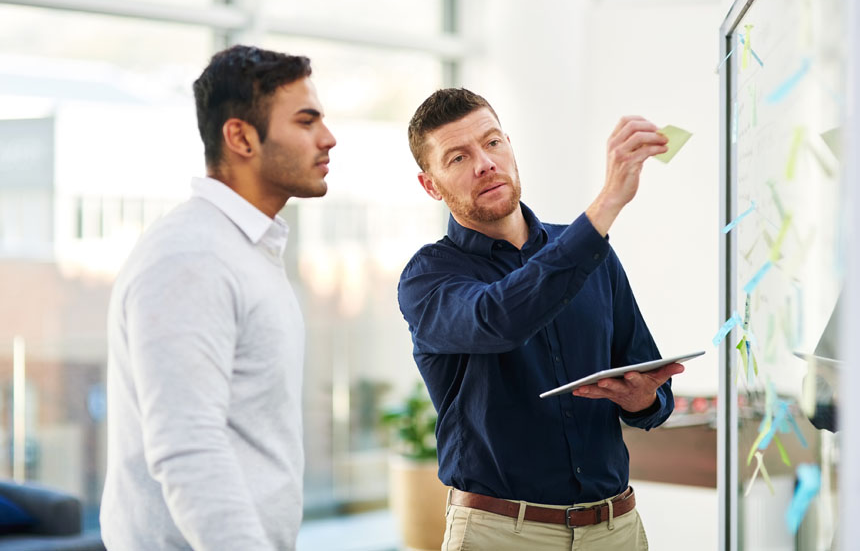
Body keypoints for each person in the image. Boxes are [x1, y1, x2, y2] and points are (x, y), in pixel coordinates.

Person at [397, 88, 684, 550]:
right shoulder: (428, 278)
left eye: (492, 143)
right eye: (457, 157)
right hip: (500, 535)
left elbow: (654, 391)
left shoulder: (591, 255)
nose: (484, 163)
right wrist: (607, 202)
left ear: (509, 146)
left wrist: (642, 400)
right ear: (431, 185)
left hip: (616, 530)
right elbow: (498, 318)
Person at [100, 45, 336, 550]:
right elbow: (188, 451)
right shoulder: (192, 257)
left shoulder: (243, 250)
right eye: (305, 121)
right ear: (240, 137)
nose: (328, 138)